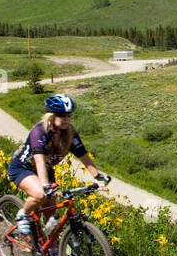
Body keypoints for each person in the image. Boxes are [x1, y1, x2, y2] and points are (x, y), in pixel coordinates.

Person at [7, 93, 109, 235]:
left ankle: (51, 250)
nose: (66, 119)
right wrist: (45, 185)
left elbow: (83, 155)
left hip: (46, 170)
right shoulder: (40, 132)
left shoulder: (69, 133)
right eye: (62, 115)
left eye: (69, 115)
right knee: (40, 194)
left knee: (51, 215)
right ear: (51, 116)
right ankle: (22, 214)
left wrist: (98, 177)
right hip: (23, 168)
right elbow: (39, 161)